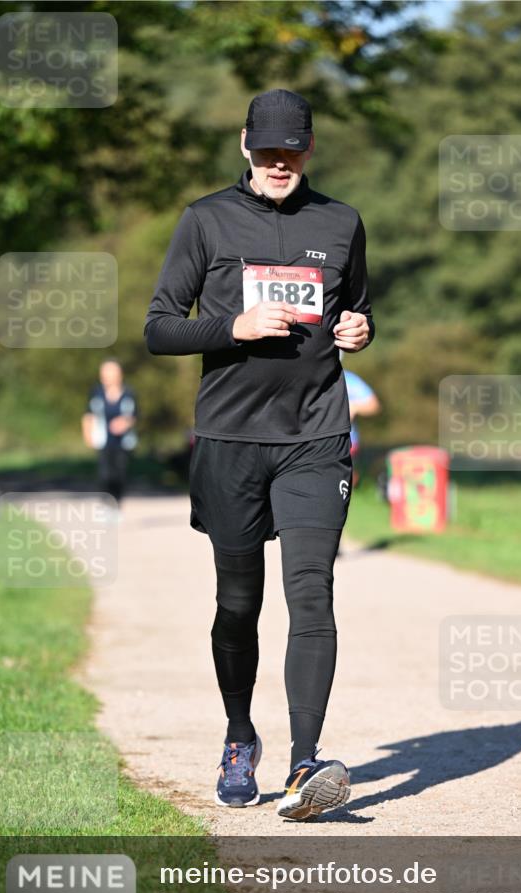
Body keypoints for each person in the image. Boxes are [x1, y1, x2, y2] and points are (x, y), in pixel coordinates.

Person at [144, 89, 375, 821]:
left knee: (311, 591)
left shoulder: (341, 222)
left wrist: (361, 330)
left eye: (291, 152)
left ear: (309, 149)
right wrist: (233, 327)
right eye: (268, 150)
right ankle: (240, 736)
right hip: (230, 439)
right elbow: (158, 328)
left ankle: (305, 765)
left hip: (315, 436)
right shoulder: (205, 219)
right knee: (238, 603)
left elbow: (358, 309)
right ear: (245, 144)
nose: (279, 163)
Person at [82, 360, 138, 506]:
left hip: (123, 442)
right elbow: (88, 415)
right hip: (103, 441)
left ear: (119, 375)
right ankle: (107, 502)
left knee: (119, 474)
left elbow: (135, 416)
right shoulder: (96, 393)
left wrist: (124, 423)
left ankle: (117, 501)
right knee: (105, 474)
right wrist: (87, 434)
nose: (106, 377)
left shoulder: (129, 393)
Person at [343, 367, 381, 487]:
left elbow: (373, 405)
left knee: (346, 479)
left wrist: (354, 406)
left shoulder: (348, 379)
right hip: (314, 439)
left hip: (347, 441)